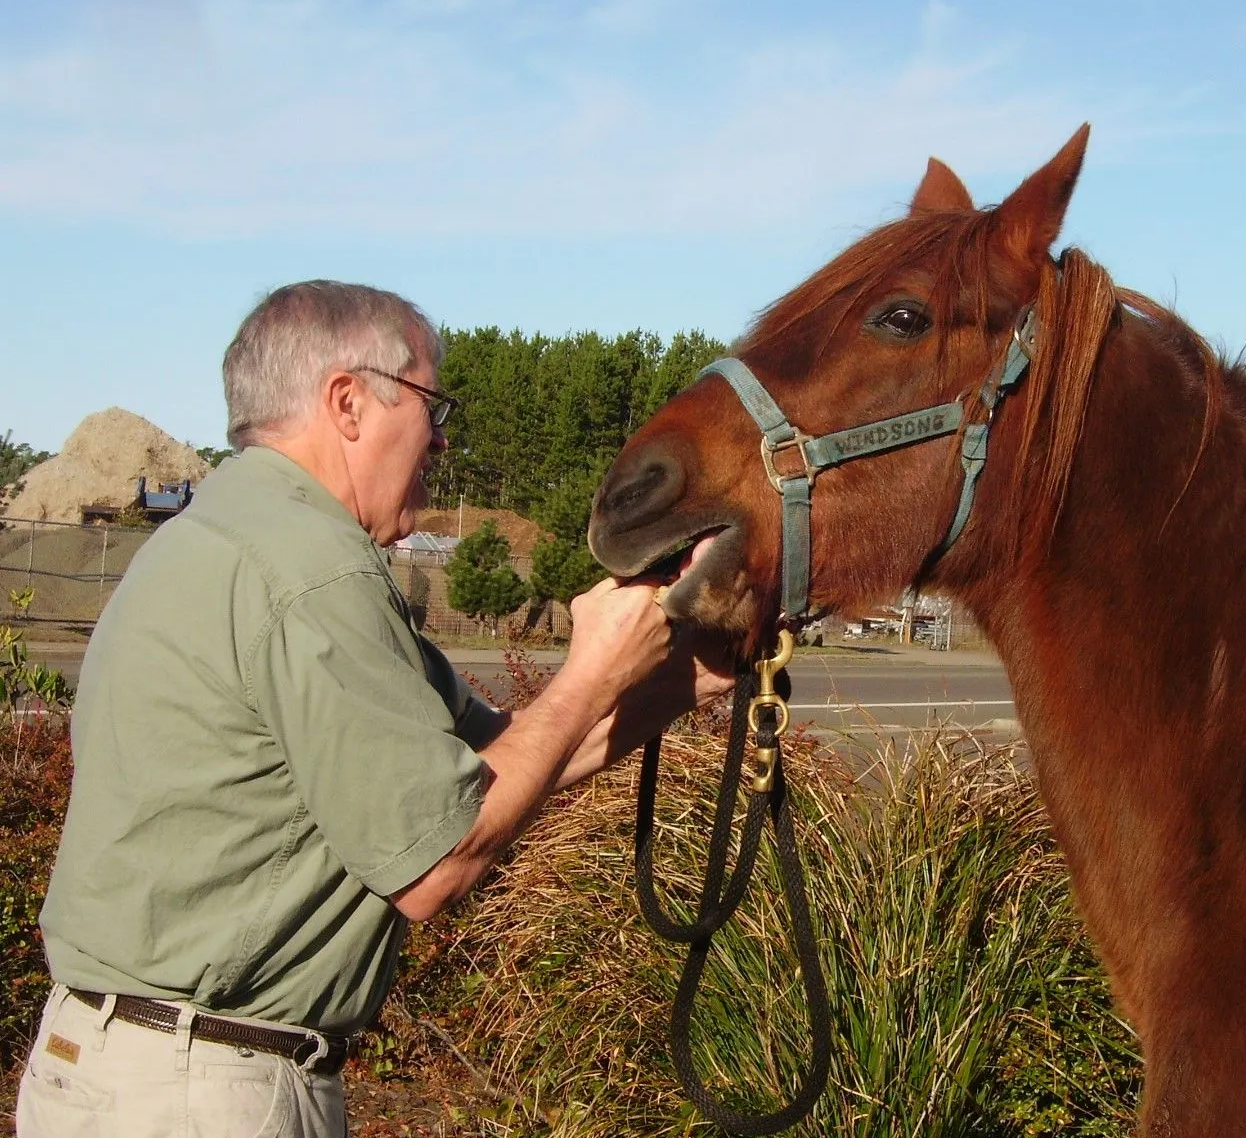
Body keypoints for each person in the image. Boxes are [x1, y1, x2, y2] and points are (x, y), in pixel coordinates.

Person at [15, 281, 731, 1137]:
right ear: (347, 401)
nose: (441, 436)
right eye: (434, 403)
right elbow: (440, 858)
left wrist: (694, 671)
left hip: (122, 1064)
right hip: (199, 1089)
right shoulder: (314, 571)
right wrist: (585, 675)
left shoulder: (226, 537)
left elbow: (496, 763)